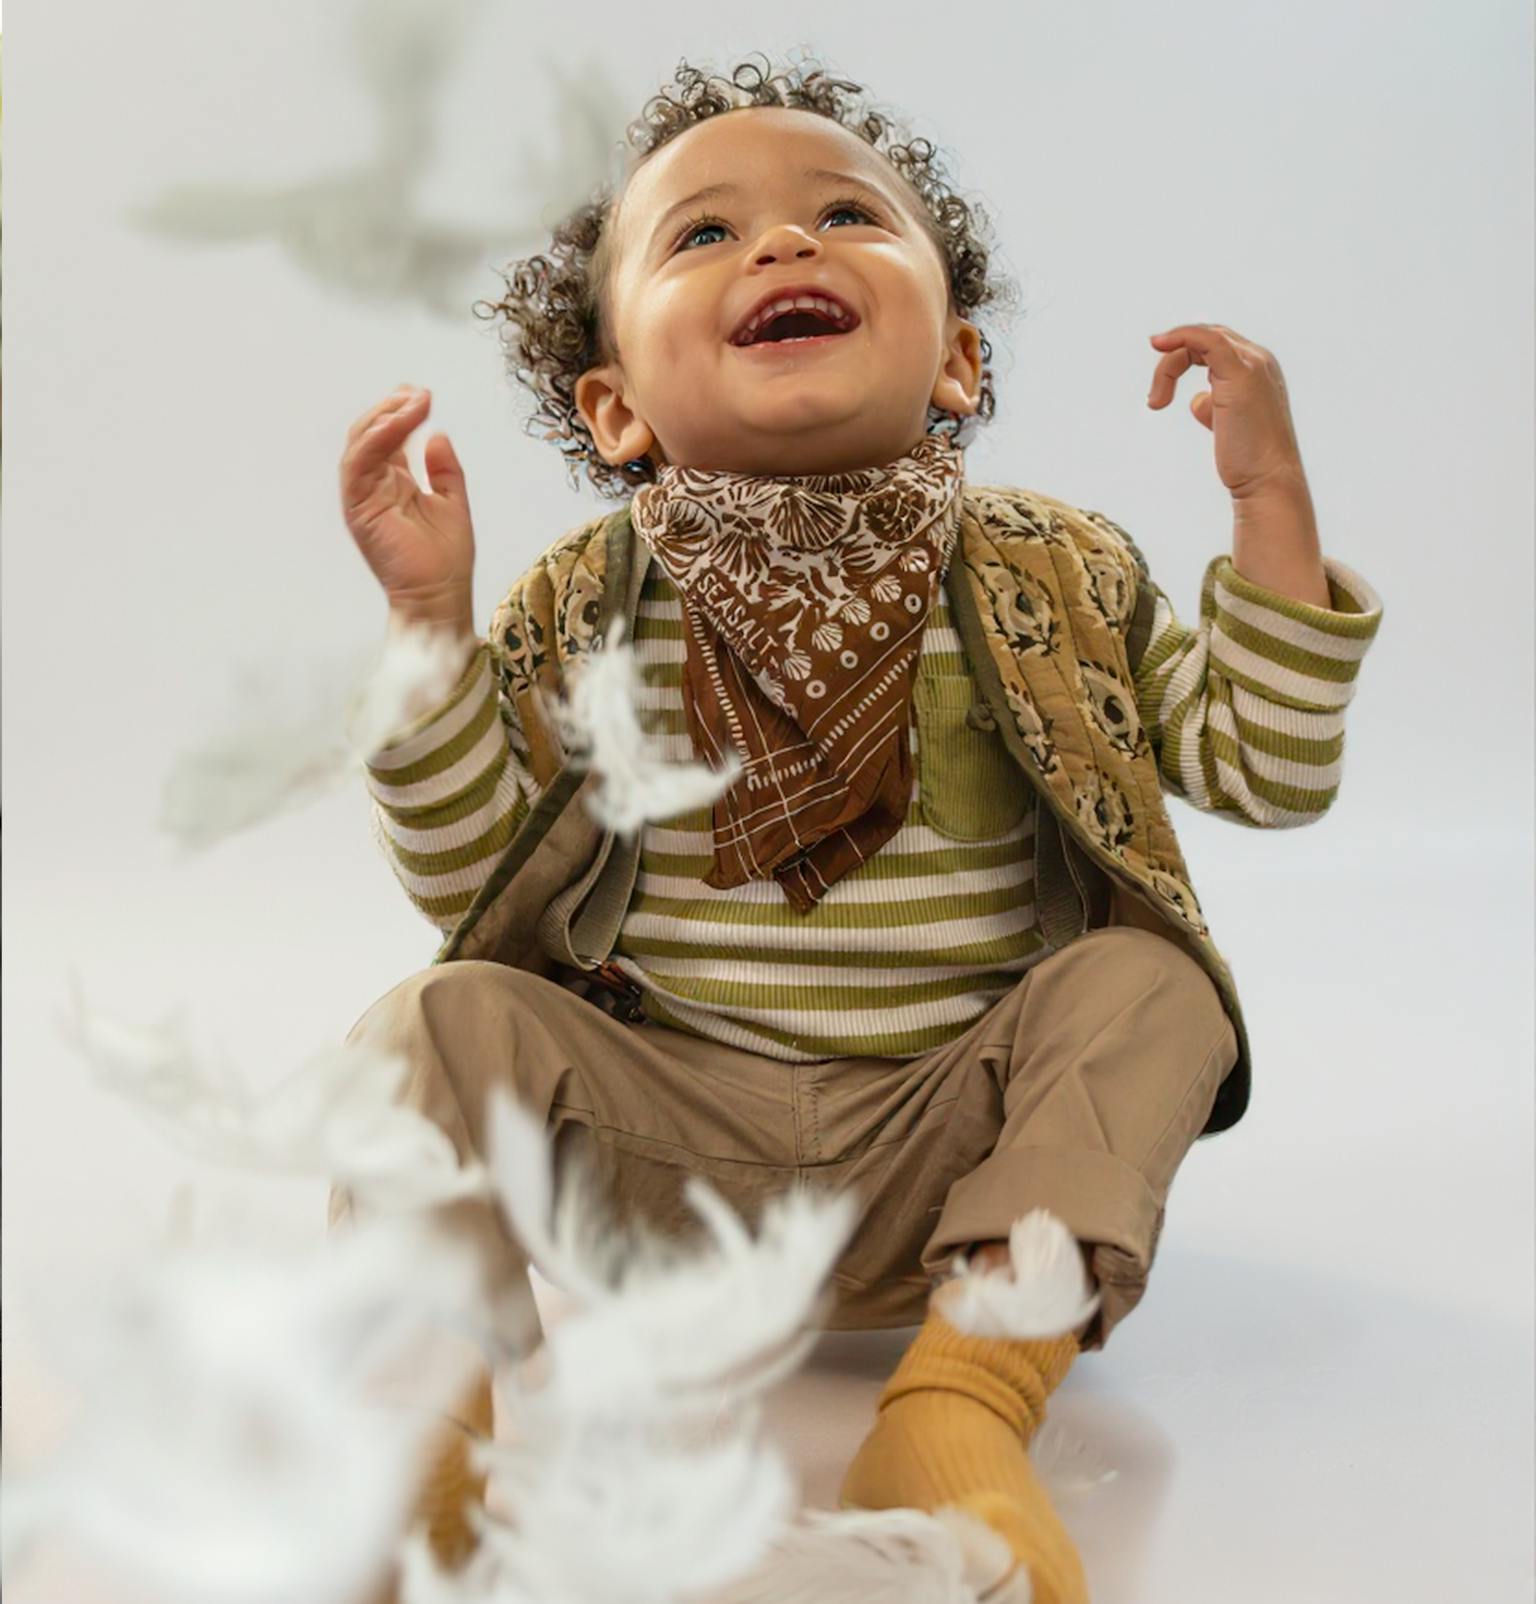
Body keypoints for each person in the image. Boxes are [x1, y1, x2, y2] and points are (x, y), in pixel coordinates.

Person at [330, 54, 1383, 1604]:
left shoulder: (1058, 571)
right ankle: (429, 1428)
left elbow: (1270, 770)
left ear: (957, 361)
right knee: (435, 1019)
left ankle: (959, 1409)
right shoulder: (584, 604)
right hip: (663, 1164)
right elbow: (470, 874)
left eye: (845, 215)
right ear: (616, 408)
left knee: (1156, 991)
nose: (781, 247)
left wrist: (1273, 500)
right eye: (702, 236)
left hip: (960, 1162)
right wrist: (429, 622)